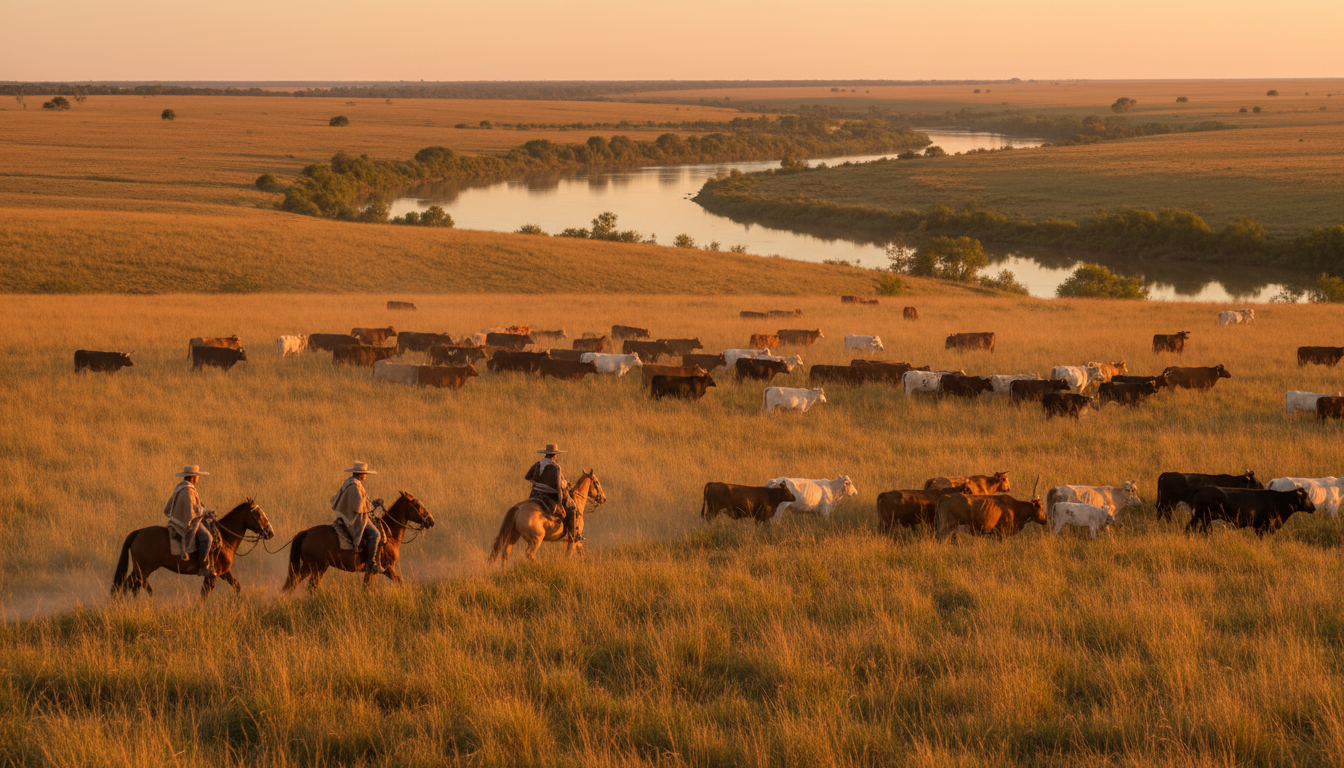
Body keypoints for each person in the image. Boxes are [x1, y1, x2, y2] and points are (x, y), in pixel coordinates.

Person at [332, 462, 385, 575]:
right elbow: (359, 507)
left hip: (347, 515)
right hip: (354, 518)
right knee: (376, 534)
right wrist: (373, 506)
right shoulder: (355, 486)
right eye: (365, 473)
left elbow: (361, 503)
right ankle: (371, 563)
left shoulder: (349, 482)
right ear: (361, 474)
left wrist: (372, 502)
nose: (365, 475)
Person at [163, 465, 216, 576]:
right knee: (208, 538)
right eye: (197, 476)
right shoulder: (188, 490)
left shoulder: (180, 487)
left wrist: (206, 511)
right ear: (193, 477)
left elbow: (195, 506)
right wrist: (205, 514)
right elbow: (191, 513)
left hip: (177, 520)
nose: (198, 478)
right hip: (186, 523)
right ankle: (203, 566)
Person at [525, 444, 577, 540]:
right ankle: (573, 534)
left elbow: (528, 477)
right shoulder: (555, 467)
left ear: (546, 454)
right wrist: (561, 503)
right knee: (572, 506)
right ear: (554, 455)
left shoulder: (538, 464)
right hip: (551, 495)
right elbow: (559, 486)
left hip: (535, 494)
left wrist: (540, 483)